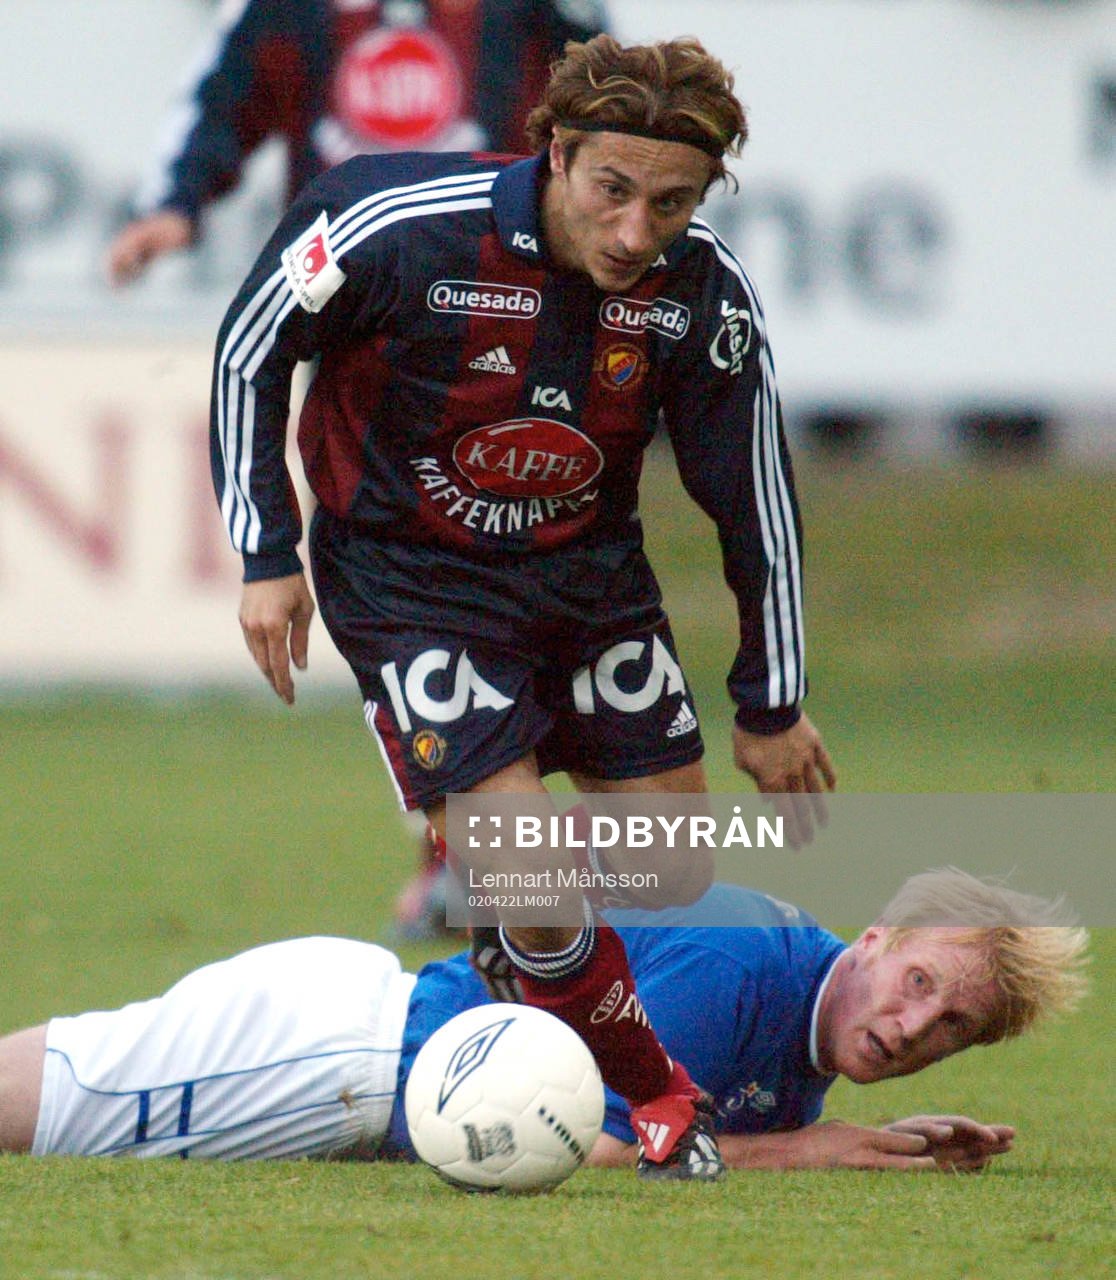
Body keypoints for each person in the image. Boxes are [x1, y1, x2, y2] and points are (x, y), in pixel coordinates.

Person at [208, 33, 838, 1180]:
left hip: (588, 585)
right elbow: (253, 345)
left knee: (666, 877)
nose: (637, 232)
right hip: (409, 581)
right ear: (557, 151)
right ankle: (656, 1098)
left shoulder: (702, 292)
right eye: (613, 191)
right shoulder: (394, 224)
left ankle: (520, 967)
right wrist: (266, 547)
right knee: (537, 879)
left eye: (673, 203)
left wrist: (772, 697)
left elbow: (754, 494)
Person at [0, 870, 1088, 1169]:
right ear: (877, 938)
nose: (912, 1025)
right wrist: (811, 1147)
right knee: (30, 1110)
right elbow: (607, 1146)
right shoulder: (745, 960)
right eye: (918, 981)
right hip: (343, 1052)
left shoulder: (802, 1027)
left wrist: (866, 1136)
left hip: (366, 1077)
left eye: (950, 1025)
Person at [107, 0, 609, 284]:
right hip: (343, 274)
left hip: (501, 272)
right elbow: (222, 96)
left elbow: (600, 97)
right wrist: (175, 203)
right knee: (349, 460)